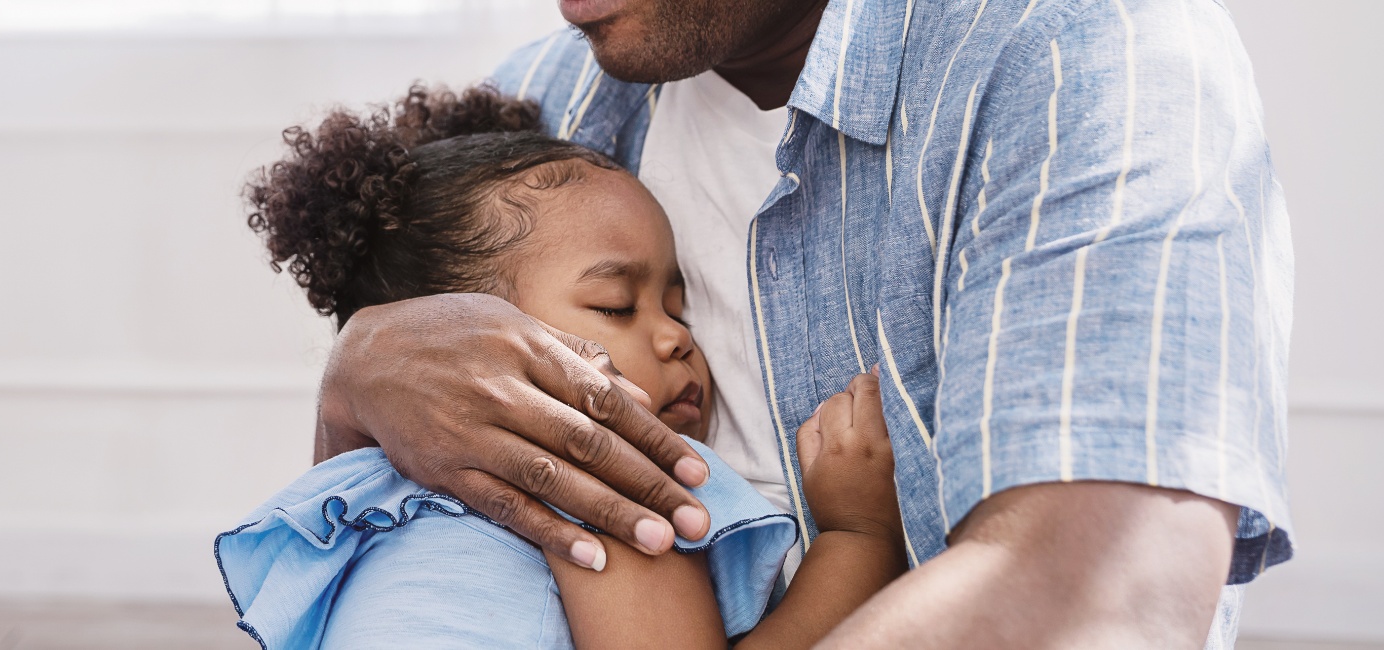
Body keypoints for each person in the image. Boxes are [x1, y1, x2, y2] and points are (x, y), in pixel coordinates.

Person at [312, 0, 1294, 648]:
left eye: (668, 300)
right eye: (618, 304)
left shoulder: (1081, 54)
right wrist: (359, 370)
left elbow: (1099, 593)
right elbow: (377, 531)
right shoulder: (548, 110)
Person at [216, 85, 906, 649]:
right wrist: (858, 537)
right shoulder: (593, 475)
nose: (675, 340)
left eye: (681, 310)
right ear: (442, 349)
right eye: (615, 306)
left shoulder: (355, 491)